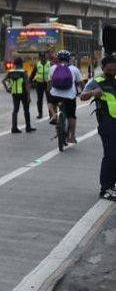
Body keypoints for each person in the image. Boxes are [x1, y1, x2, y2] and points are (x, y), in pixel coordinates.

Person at [81, 55, 116, 200]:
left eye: (115, 69)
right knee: (111, 155)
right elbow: (83, 96)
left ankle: (111, 185)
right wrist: (93, 93)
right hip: (107, 123)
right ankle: (105, 188)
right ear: (102, 68)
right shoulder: (97, 82)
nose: (112, 72)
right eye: (109, 70)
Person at [49, 50, 84, 144]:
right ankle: (72, 137)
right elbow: (80, 83)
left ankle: (54, 115)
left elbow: (49, 82)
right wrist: (83, 92)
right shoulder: (74, 69)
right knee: (71, 116)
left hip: (55, 95)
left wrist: (50, 91)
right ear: (69, 59)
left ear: (58, 59)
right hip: (70, 96)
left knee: (50, 103)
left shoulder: (53, 68)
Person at [3, 57, 36, 133]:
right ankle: (28, 127)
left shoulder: (10, 72)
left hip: (14, 93)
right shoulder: (23, 72)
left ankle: (14, 128)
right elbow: (27, 85)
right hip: (23, 93)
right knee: (26, 110)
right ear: (21, 64)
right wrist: (28, 96)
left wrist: (7, 89)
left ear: (14, 64)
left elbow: (3, 81)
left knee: (15, 110)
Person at [30, 51, 51, 119]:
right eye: (41, 57)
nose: (42, 58)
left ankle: (51, 114)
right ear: (39, 58)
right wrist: (29, 82)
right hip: (39, 84)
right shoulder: (37, 64)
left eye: (43, 57)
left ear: (46, 57)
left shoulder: (49, 64)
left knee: (49, 99)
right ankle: (40, 114)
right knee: (39, 100)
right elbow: (33, 74)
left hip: (48, 84)